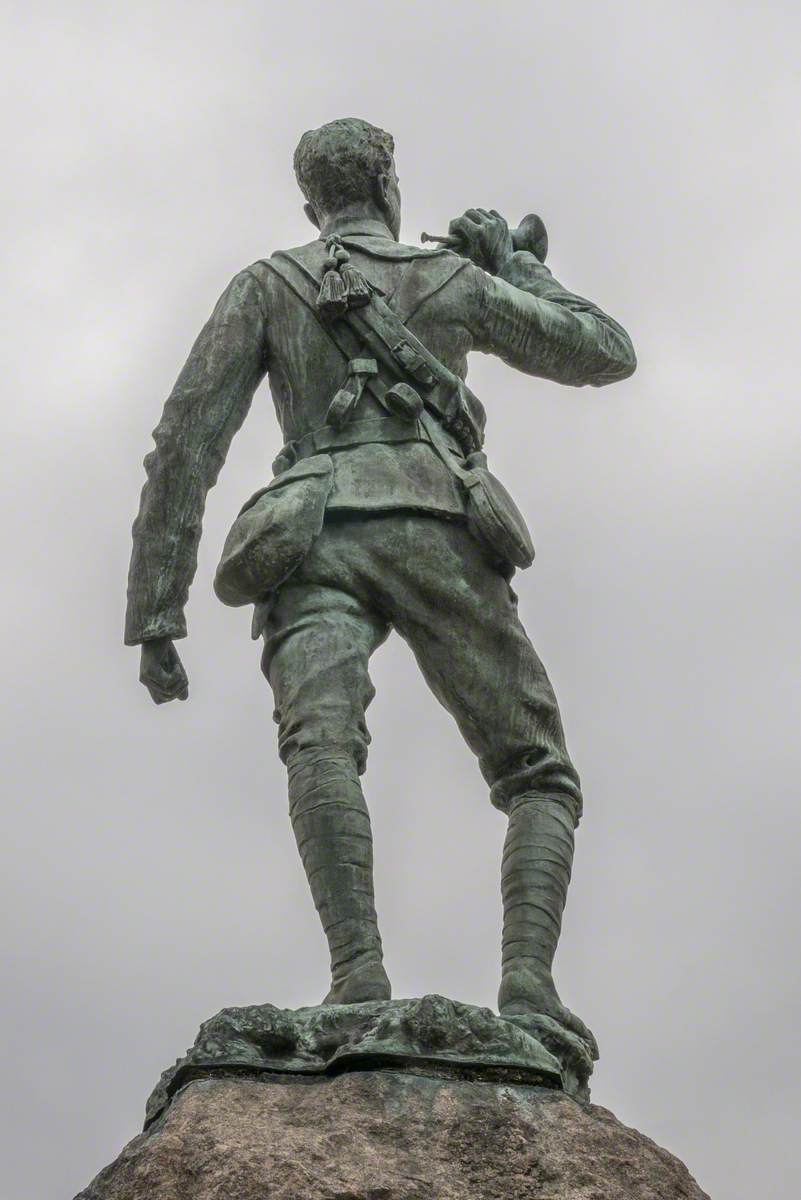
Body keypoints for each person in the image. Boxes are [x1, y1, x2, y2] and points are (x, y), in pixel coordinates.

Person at [126, 117, 636, 1045]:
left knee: (318, 743)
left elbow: (185, 445)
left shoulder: (267, 283)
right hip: (438, 526)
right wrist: (520, 268)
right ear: (388, 182)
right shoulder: (450, 277)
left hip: (311, 533)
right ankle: (528, 986)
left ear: (310, 202)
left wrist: (157, 611)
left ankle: (354, 972)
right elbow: (601, 349)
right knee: (537, 772)